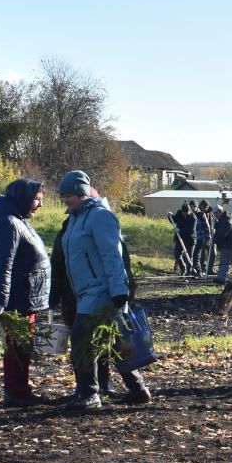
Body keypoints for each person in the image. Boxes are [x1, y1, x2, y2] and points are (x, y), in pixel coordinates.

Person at [56, 170, 150, 411]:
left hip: (101, 290)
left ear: (82, 193)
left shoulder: (100, 217)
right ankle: (138, 389)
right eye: (63, 196)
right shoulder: (76, 219)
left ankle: (89, 394)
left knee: (81, 339)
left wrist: (120, 290)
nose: (66, 200)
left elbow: (112, 255)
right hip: (85, 291)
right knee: (115, 341)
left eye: (69, 195)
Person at [0, 177, 51, 407]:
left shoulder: (19, 219)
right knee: (17, 346)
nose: (40, 205)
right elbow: (2, 262)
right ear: (23, 198)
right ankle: (15, 392)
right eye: (37, 199)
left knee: (23, 345)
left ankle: (20, 388)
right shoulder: (8, 222)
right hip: (17, 298)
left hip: (26, 295)